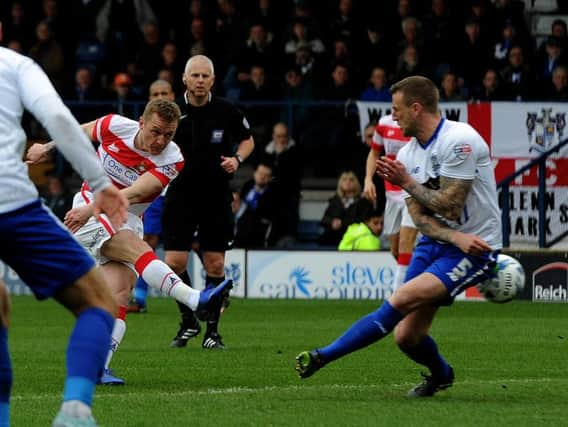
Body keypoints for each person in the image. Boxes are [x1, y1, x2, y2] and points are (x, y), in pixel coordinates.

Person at [295, 76, 502, 398]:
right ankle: (442, 375)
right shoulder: (405, 156)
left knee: (400, 300)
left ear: (417, 108)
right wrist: (451, 235)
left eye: (396, 110)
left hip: (474, 248)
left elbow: (450, 205)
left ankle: (323, 355)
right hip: (440, 242)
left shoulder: (460, 141)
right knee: (407, 337)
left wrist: (408, 183)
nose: (392, 118)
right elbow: (420, 218)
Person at [26, 99, 233, 385]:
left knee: (119, 293)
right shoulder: (114, 126)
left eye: (169, 134)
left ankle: (100, 367)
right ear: (141, 123)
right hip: (88, 210)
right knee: (138, 251)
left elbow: (136, 193)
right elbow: (76, 131)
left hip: (126, 217)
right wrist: (45, 148)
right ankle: (194, 298)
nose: (160, 140)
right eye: (155, 131)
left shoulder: (173, 158)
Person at [0, 23, 129, 426]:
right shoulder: (15, 64)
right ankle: (74, 410)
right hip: (12, 204)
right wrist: (101, 184)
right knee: (99, 301)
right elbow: (57, 116)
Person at [163, 55, 254, 350]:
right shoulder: (172, 111)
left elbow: (248, 140)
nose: (200, 81)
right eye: (195, 76)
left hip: (215, 196)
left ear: (213, 80)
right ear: (185, 79)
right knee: (173, 263)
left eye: (205, 76)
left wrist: (236, 159)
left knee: (215, 264)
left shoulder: (226, 110)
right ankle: (188, 319)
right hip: (180, 194)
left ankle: (213, 333)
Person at [127, 79, 177, 314]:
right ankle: (139, 296)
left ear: (173, 95)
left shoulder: (180, 127)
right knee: (148, 240)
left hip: (182, 193)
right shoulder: (144, 129)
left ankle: (210, 297)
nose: (160, 96)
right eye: (155, 93)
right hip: (156, 193)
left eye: (164, 93)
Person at [363, 114, 418, 292]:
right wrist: (368, 180)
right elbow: (374, 152)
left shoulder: (419, 125)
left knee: (406, 244)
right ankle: (420, 281)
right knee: (395, 250)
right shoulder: (384, 125)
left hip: (413, 191)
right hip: (391, 194)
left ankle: (398, 297)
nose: (394, 109)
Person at [319, 171, 370, 247]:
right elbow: (324, 219)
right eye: (344, 180)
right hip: (332, 239)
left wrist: (342, 223)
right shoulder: (335, 200)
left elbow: (363, 221)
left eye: (351, 180)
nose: (347, 182)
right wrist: (332, 222)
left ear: (357, 183)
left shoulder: (363, 202)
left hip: (354, 239)